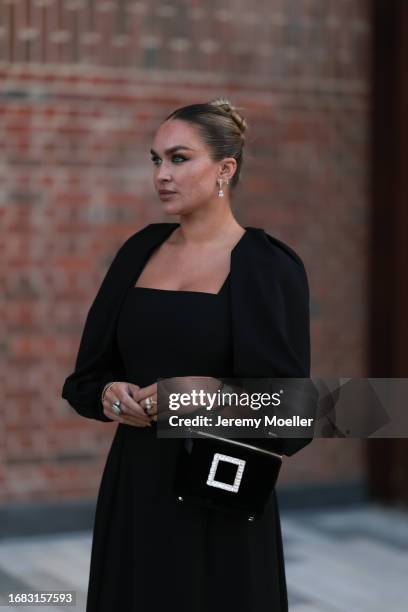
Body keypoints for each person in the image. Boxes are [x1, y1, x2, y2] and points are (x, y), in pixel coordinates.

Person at [61, 98, 313, 612]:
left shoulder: (268, 267)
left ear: (225, 169)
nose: (162, 175)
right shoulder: (139, 250)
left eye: (179, 159)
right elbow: (84, 380)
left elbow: (296, 416)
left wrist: (205, 396)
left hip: (220, 497)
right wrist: (110, 393)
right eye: (156, 160)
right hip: (135, 490)